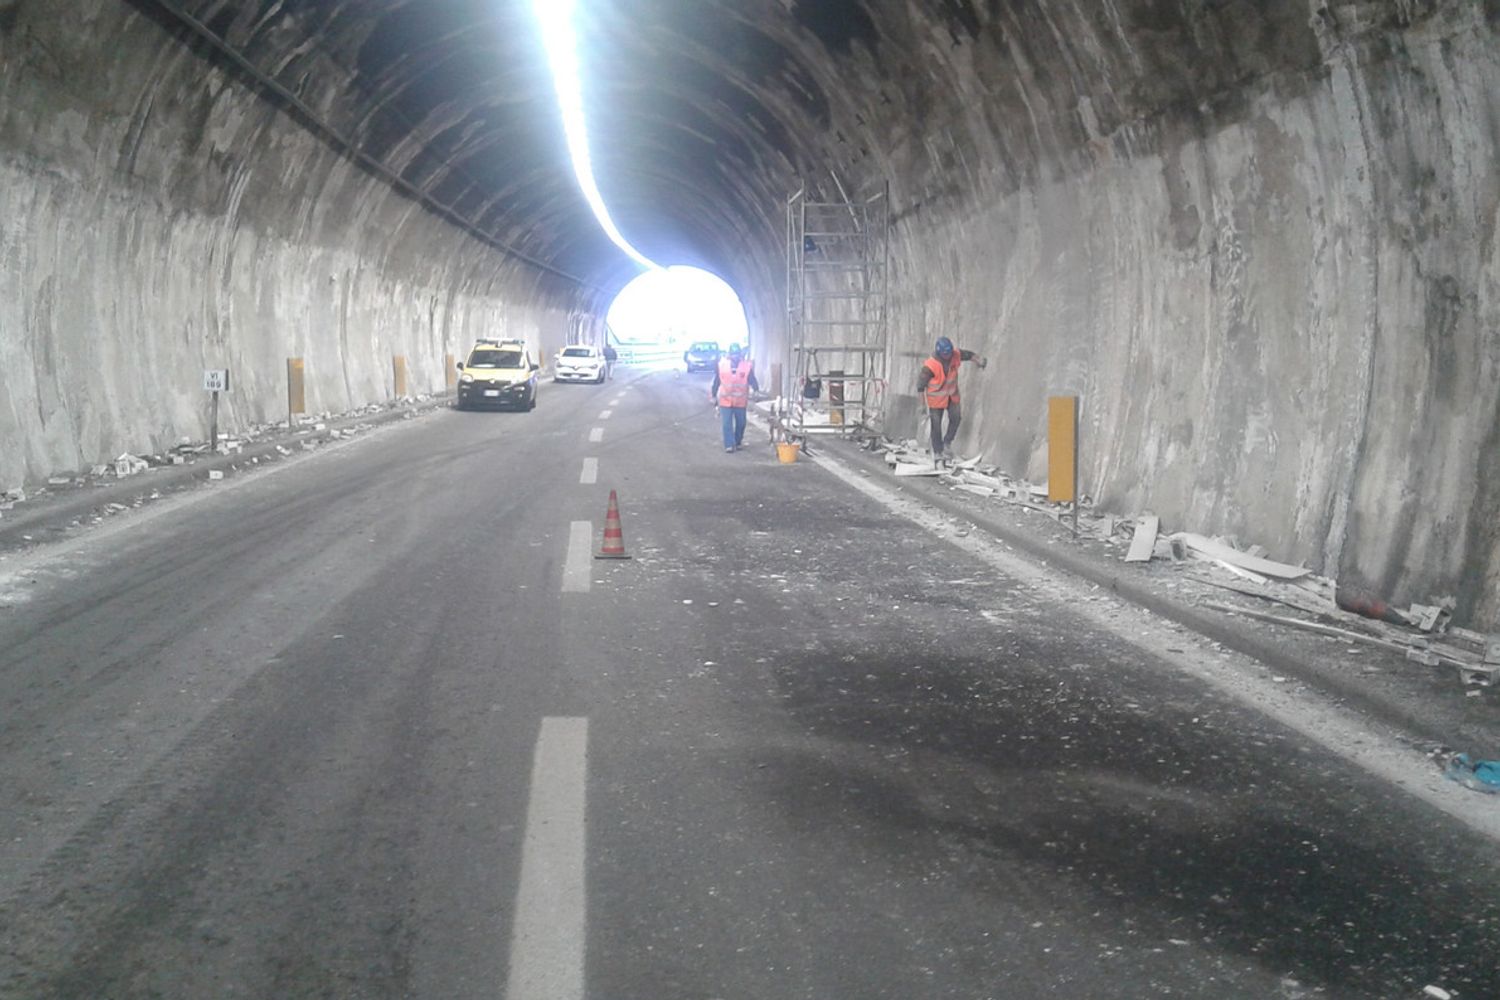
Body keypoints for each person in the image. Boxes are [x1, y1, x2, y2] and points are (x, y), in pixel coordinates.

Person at [917, 336, 987, 465]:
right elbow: (920, 387)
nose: (948, 356)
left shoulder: (955, 354)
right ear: (939, 352)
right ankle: (938, 452)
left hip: (951, 396)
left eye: (949, 353)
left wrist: (979, 360)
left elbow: (968, 355)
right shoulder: (930, 366)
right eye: (945, 354)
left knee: (956, 418)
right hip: (936, 401)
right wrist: (922, 405)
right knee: (936, 426)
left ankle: (947, 443)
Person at [709, 343, 759, 453]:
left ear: (740, 354)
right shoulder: (722, 366)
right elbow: (717, 381)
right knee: (727, 424)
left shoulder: (746, 367)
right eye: (733, 354)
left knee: (741, 423)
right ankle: (729, 445)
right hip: (725, 401)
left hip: (740, 402)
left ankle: (737, 441)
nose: (735, 357)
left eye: (737, 354)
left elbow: (752, 379)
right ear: (729, 355)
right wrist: (713, 395)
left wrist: (756, 389)